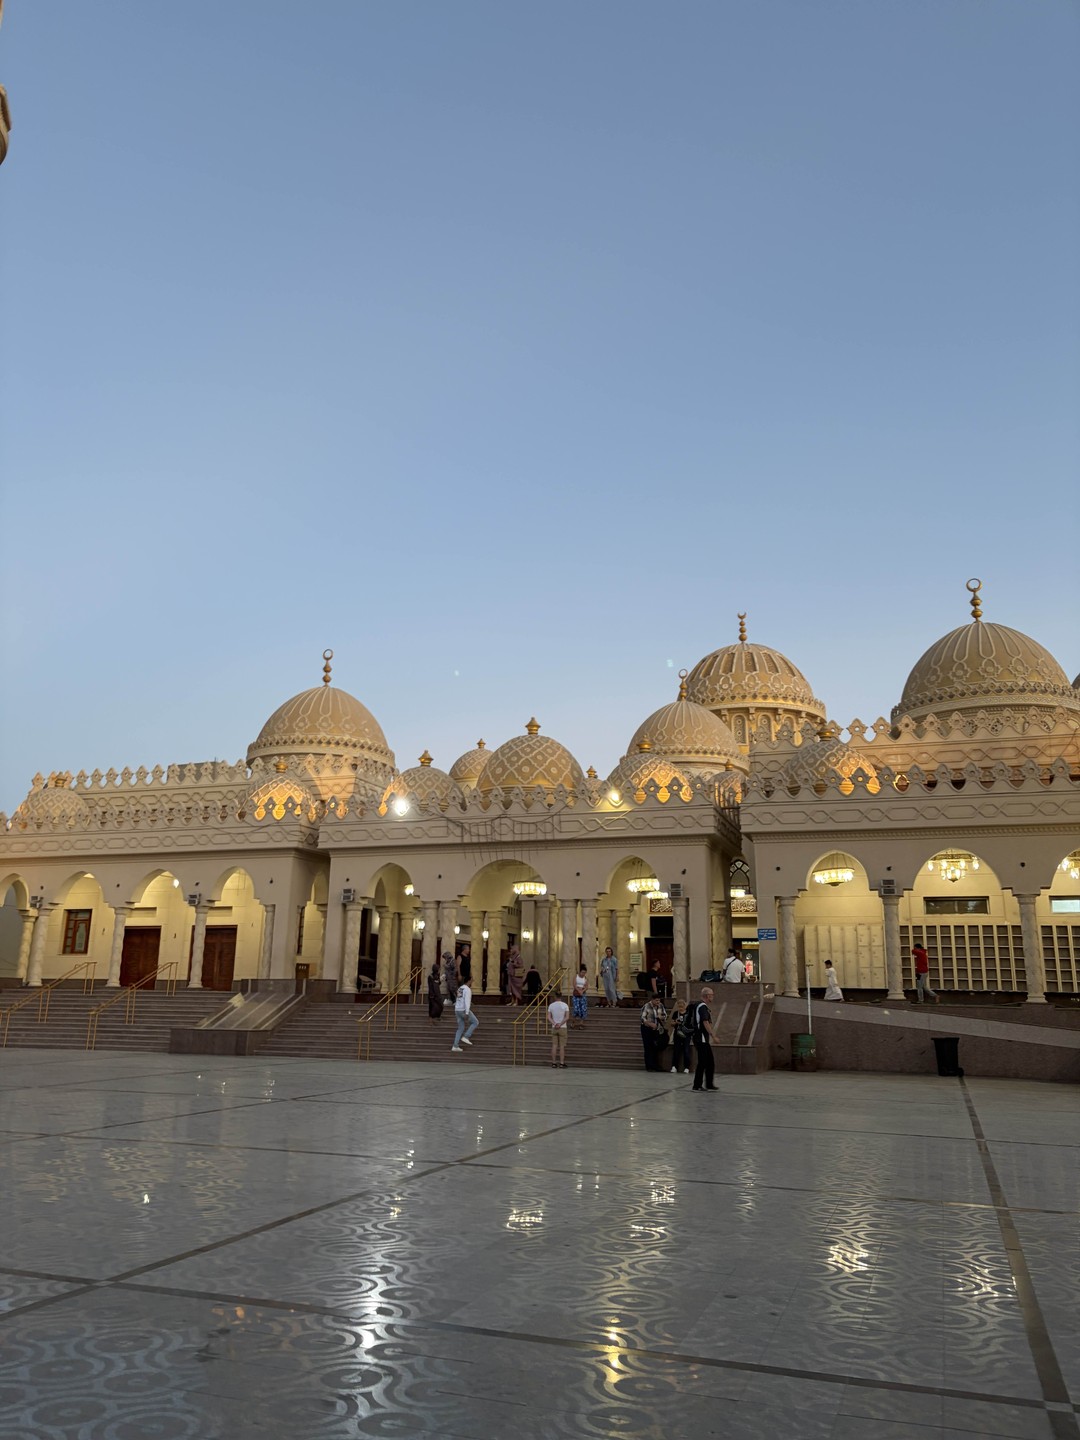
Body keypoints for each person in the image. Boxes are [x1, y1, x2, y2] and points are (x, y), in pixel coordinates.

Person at [690, 985, 720, 1091]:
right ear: (707, 996)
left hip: (702, 1038)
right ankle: (697, 1085)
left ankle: (709, 1084)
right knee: (703, 1061)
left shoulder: (699, 1005)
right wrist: (713, 1035)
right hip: (701, 1037)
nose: (713, 997)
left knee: (709, 1062)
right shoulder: (702, 1006)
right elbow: (705, 1022)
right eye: (712, 995)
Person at [640, 994, 667, 1071]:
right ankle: (649, 1066)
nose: (658, 1002)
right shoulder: (647, 1006)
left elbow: (664, 1015)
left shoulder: (660, 1006)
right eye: (656, 1000)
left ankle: (656, 1065)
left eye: (659, 1000)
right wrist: (649, 1023)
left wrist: (661, 1017)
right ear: (652, 1000)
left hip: (657, 1029)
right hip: (647, 1029)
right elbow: (643, 1018)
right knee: (648, 1047)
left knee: (655, 1046)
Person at [451, 977, 479, 1052]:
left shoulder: (460, 988)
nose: (472, 981)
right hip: (463, 1010)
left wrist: (456, 1009)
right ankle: (466, 1036)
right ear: (469, 980)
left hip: (457, 1010)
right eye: (472, 980)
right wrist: (467, 1012)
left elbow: (458, 999)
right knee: (475, 1022)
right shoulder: (467, 989)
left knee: (460, 1028)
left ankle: (455, 1045)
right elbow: (467, 1001)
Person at [669, 998, 694, 1075]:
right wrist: (675, 1022)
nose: (680, 1008)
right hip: (678, 1034)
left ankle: (686, 1067)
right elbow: (671, 1023)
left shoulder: (689, 1014)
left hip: (686, 1035)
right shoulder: (676, 1013)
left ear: (684, 1006)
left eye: (682, 1007)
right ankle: (674, 1066)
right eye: (679, 1007)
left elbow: (691, 1024)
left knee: (686, 1050)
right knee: (676, 1050)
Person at [548, 990, 569, 1068]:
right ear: (561, 996)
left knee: (554, 1045)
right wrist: (560, 1024)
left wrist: (555, 1024)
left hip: (554, 1027)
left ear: (555, 996)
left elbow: (549, 1017)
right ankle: (561, 1063)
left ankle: (553, 1063)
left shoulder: (551, 1005)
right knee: (562, 1046)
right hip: (563, 1027)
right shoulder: (565, 1005)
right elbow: (567, 1017)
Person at [571, 962, 589, 1027]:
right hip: (576, 993)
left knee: (583, 1008)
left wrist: (582, 990)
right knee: (576, 1008)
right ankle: (573, 1022)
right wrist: (578, 990)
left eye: (584, 972)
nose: (583, 974)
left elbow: (587, 986)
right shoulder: (576, 976)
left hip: (582, 994)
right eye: (582, 972)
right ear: (580, 971)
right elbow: (574, 984)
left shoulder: (585, 978)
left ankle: (581, 1023)